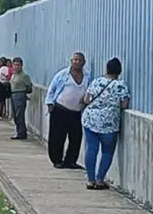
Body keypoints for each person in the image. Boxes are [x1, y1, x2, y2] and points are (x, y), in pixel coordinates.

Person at [82, 58, 130, 190]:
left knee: (91, 149)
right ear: (119, 71)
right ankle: (100, 180)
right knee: (107, 152)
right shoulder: (121, 85)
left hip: (90, 120)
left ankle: (90, 180)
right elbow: (124, 105)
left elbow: (86, 99)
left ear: (106, 69)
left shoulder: (96, 81)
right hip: (109, 123)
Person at [45, 52, 90, 169]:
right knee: (57, 136)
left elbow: (89, 91)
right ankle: (57, 160)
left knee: (76, 137)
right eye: (75, 60)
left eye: (79, 60)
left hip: (76, 112)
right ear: (71, 61)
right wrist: (50, 104)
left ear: (84, 62)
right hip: (60, 110)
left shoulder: (87, 76)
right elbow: (52, 89)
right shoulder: (62, 75)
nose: (77, 62)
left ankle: (70, 161)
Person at [8, 58, 33, 140]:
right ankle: (20, 131)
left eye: (18, 65)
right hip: (13, 94)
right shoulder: (14, 74)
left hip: (20, 94)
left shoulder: (24, 76)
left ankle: (21, 133)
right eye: (15, 65)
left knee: (19, 115)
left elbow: (29, 86)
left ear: (21, 66)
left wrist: (24, 93)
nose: (16, 67)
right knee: (15, 115)